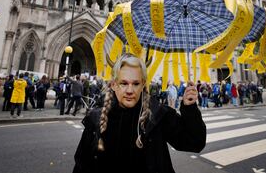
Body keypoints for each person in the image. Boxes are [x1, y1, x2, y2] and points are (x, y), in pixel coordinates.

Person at [72, 53, 206, 173]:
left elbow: (194, 143)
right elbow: (81, 165)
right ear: (113, 85)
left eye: (135, 83)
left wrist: (189, 109)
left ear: (143, 84)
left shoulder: (158, 114)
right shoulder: (96, 119)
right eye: (123, 83)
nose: (130, 90)